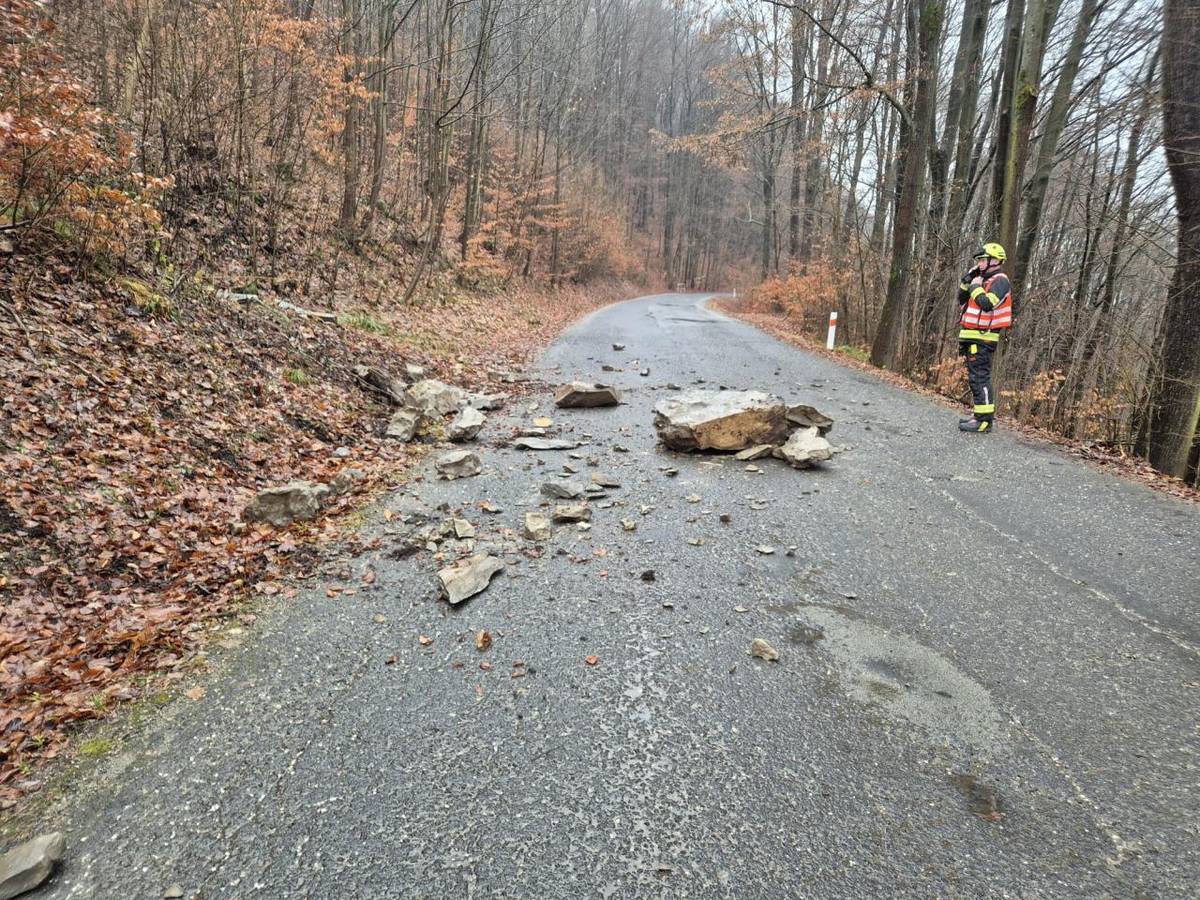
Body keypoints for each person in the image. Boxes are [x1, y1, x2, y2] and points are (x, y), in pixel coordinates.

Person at [956, 242, 1014, 433]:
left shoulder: (1000, 280)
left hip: (983, 338)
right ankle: (979, 416)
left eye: (983, 259)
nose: (980, 263)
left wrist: (975, 287)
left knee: (980, 377)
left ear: (995, 260)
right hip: (972, 336)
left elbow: (988, 303)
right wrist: (968, 280)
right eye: (978, 260)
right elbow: (961, 298)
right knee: (975, 378)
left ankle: (984, 421)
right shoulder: (979, 279)